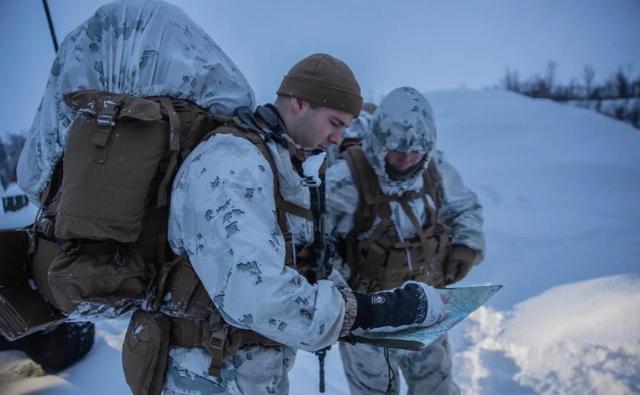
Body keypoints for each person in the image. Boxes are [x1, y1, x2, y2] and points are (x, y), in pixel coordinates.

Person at [16, 1, 448, 394]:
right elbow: (253, 293)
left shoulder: (276, 160)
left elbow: (286, 262)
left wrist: (342, 295)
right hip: (203, 374)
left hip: (242, 369)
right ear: (298, 103)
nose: (339, 138)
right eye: (335, 122)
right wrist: (371, 310)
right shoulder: (232, 162)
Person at [327, 86, 485, 395]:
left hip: (428, 311)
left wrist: (466, 248)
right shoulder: (343, 181)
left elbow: (466, 207)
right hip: (369, 321)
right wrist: (343, 299)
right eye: (397, 151)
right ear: (380, 141)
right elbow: (317, 250)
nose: (406, 160)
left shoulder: (434, 170)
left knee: (436, 389)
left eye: (416, 153)